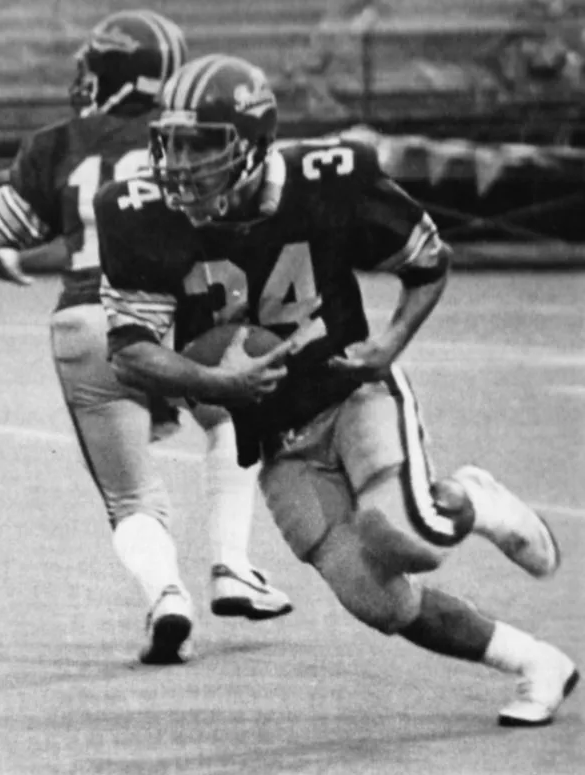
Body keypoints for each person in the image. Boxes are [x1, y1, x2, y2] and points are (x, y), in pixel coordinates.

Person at [94, 52, 579, 723]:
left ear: (256, 143)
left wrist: (390, 343)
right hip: (276, 440)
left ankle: (473, 498)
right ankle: (536, 662)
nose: (179, 163)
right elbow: (128, 353)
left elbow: (428, 261)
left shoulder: (330, 177)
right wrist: (215, 382)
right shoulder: (137, 210)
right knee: (378, 600)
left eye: (201, 143)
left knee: (405, 532)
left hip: (350, 391)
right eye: (169, 142)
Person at [0, 13, 292, 666]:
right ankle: (232, 562)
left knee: (131, 495)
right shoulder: (191, 139)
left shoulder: (57, 144)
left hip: (88, 319)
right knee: (233, 418)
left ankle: (167, 597)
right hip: (182, 318)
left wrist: (2, 265)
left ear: (110, 72)